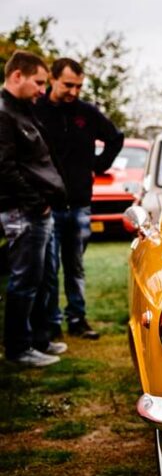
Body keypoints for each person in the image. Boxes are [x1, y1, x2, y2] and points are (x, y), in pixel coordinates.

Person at [34, 57, 123, 341]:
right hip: (48, 206)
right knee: (49, 271)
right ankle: (51, 323)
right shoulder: (37, 110)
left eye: (78, 86)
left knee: (75, 266)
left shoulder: (86, 113)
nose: (73, 92)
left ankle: (77, 319)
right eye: (68, 85)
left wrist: (98, 165)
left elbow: (116, 137)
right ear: (52, 79)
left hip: (79, 203)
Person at [0, 50, 68, 366]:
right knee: (24, 281)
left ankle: (39, 339)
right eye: (38, 82)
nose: (43, 90)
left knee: (42, 278)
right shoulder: (4, 113)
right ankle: (18, 349)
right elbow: (4, 168)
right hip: (23, 212)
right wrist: (36, 203)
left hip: (40, 210)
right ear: (17, 76)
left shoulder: (24, 110)